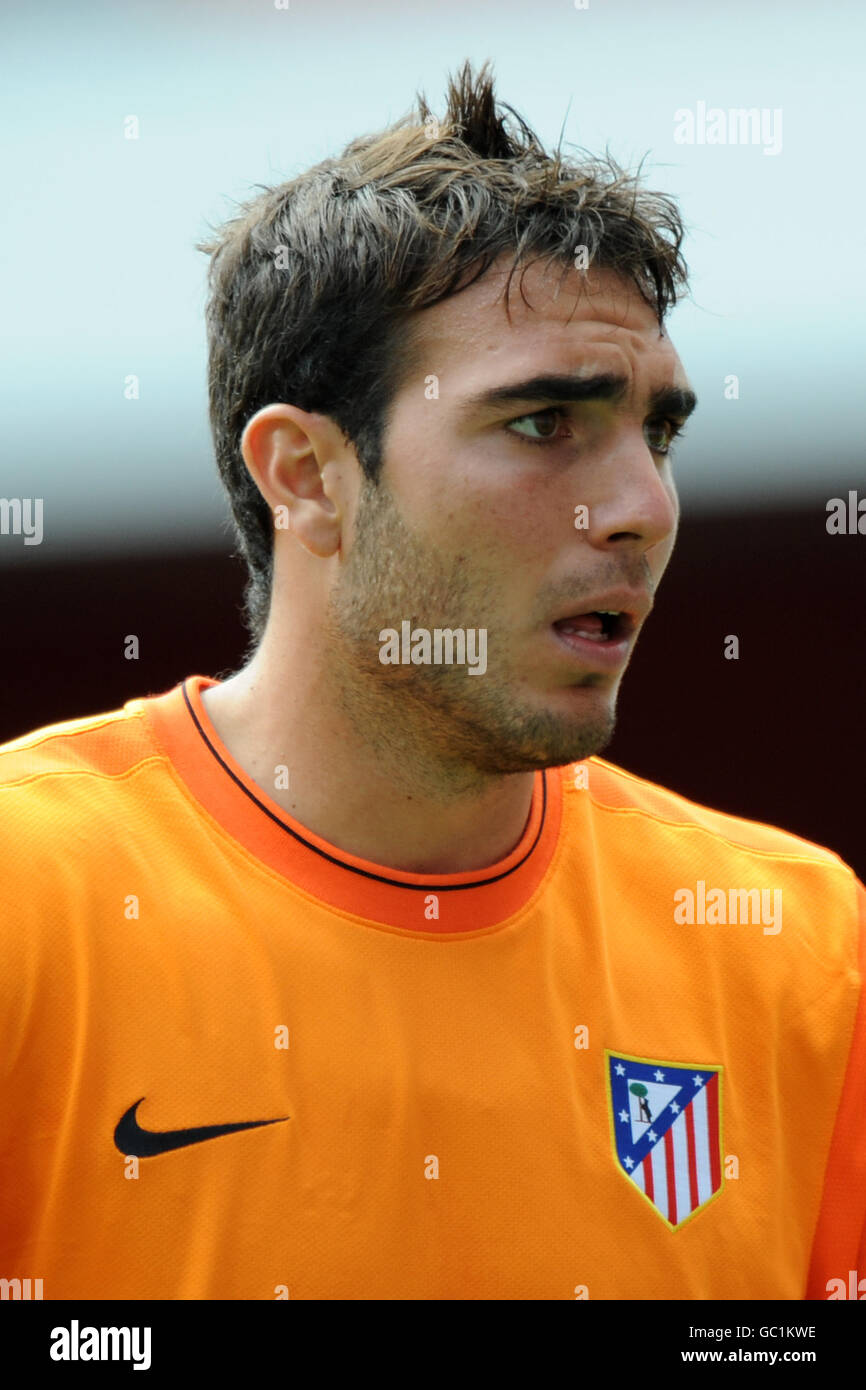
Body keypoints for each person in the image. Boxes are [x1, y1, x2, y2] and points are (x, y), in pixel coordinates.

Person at [1, 60, 862, 1302]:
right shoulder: (33, 899)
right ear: (304, 474)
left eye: (653, 431)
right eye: (542, 422)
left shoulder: (802, 945)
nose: (641, 507)